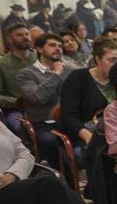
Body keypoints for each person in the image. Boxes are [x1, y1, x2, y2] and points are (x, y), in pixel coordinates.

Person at [15, 33, 73, 167]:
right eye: (52, 45)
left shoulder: (69, 70)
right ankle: (63, 178)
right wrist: (56, 74)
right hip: (44, 122)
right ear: (40, 49)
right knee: (52, 140)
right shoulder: (26, 74)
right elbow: (38, 98)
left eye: (60, 46)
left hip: (69, 119)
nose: (58, 48)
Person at [59, 37, 117, 145]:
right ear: (97, 59)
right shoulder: (78, 78)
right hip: (84, 133)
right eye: (112, 60)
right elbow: (68, 116)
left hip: (116, 131)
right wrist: (86, 135)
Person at [0, 23, 36, 132]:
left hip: (45, 106)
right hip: (16, 109)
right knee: (20, 126)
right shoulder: (0, 64)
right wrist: (16, 101)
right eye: (19, 35)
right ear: (9, 39)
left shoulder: (39, 57)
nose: (25, 37)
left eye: (27, 34)